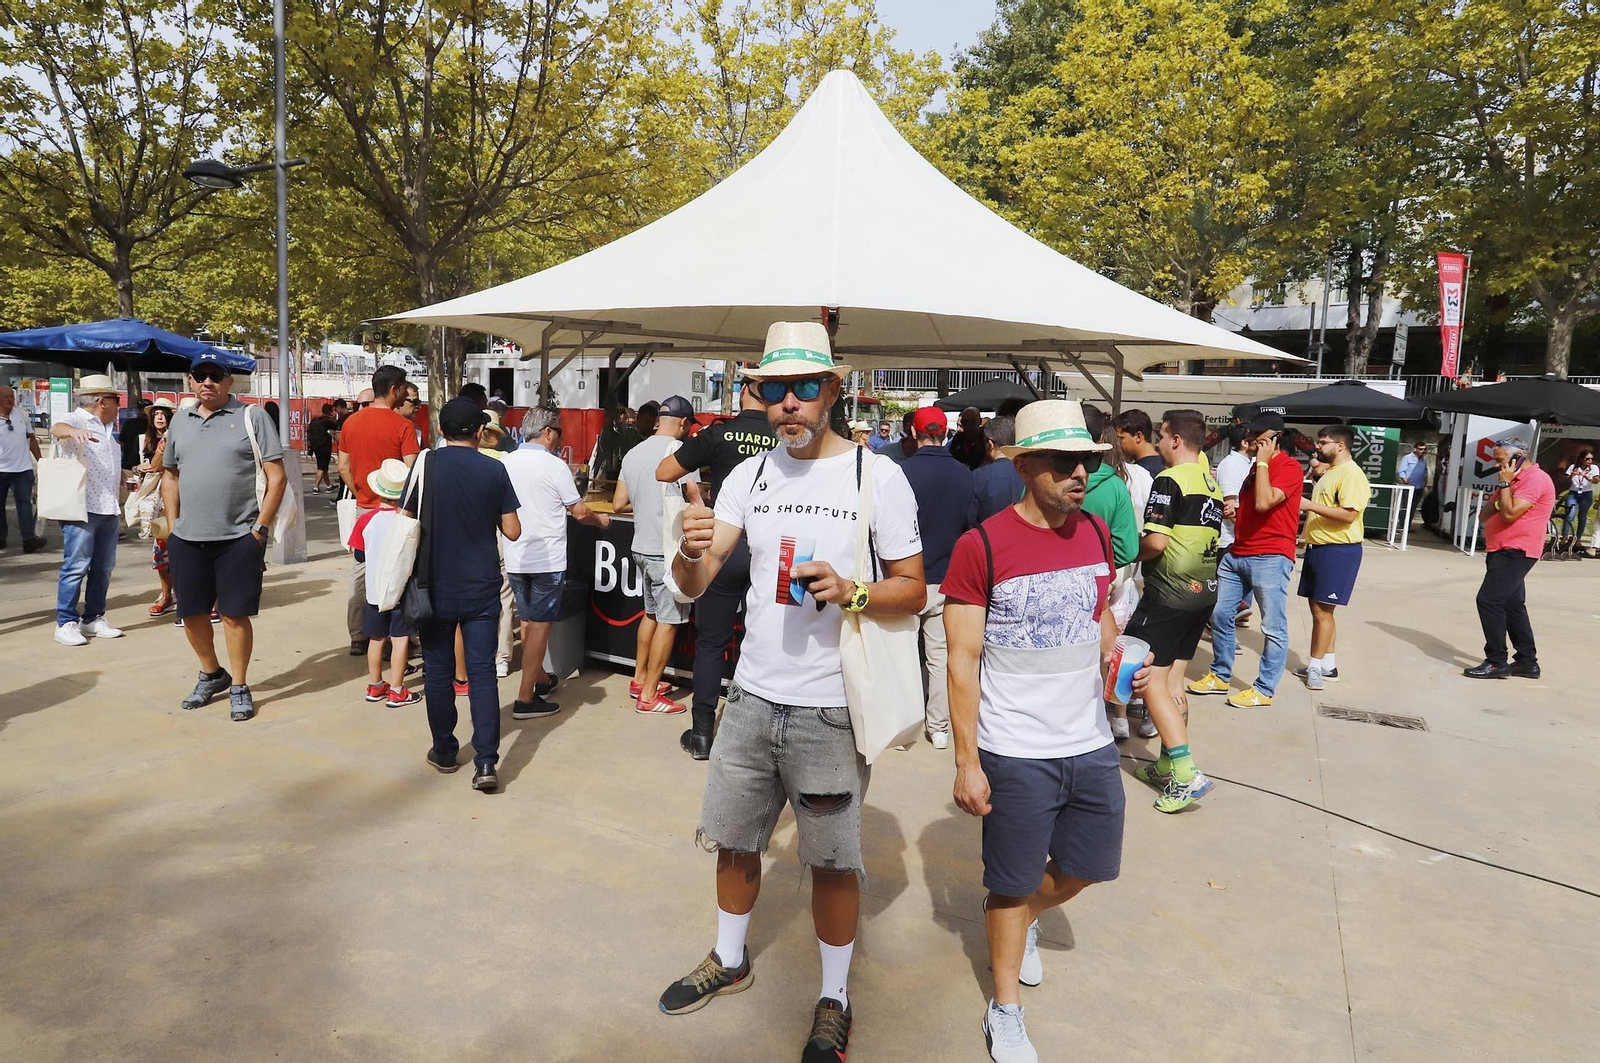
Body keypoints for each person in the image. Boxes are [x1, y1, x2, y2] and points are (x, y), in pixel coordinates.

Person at [658, 322, 925, 1063]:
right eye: (774, 389)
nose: (788, 403)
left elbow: (914, 588)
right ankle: (729, 957)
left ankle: (834, 997)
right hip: (750, 696)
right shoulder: (748, 477)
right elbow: (697, 582)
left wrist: (854, 589)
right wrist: (685, 552)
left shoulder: (878, 476)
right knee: (734, 837)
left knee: (833, 861)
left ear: (833, 389)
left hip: (832, 707)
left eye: (804, 387)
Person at [943, 398, 1146, 1063]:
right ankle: (1005, 1008)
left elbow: (1099, 616)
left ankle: (1023, 915)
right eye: (1062, 462)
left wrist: (1120, 659)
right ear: (1025, 466)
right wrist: (967, 761)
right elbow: (962, 659)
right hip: (1015, 747)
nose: (1079, 473)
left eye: (1085, 460)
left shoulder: (1095, 532)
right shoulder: (981, 546)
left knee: (1089, 866)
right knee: (1010, 881)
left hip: (1089, 740)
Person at [405, 397, 522, 792]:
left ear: (441, 430)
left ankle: (445, 751)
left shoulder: (425, 465)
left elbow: (405, 521)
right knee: (482, 673)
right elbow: (513, 530)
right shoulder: (494, 468)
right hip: (482, 586)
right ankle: (486, 762)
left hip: (433, 585)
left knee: (438, 673)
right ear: (480, 432)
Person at [654, 382, 777, 758]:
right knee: (768, 642)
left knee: (710, 643)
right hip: (768, 547)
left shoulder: (719, 434)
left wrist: (702, 487)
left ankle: (703, 734)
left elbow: (664, 471)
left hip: (724, 544)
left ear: (744, 391)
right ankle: (759, 736)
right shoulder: (784, 436)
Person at [160, 359, 286, 721]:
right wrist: (173, 526)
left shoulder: (251, 417)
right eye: (200, 376)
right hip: (187, 537)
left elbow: (276, 477)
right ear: (190, 381)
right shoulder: (181, 420)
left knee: (234, 615)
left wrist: (259, 529)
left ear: (229, 382)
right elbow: (170, 475)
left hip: (238, 537)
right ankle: (212, 673)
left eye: (216, 376)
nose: (208, 382)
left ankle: (240, 686)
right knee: (191, 613)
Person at [1126, 409, 1222, 813]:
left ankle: (1185, 774)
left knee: (1148, 680)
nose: (1158, 443)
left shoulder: (1169, 479)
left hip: (1168, 595)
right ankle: (1167, 762)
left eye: (1161, 436)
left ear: (1176, 440)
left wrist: (1127, 551)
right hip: (1202, 595)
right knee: (1173, 681)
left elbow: (1156, 543)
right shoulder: (1211, 481)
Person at [1188, 413, 1302, 708]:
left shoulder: (1288, 468)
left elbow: (1265, 502)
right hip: (1239, 552)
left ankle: (1264, 689)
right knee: (1219, 614)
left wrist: (1262, 463)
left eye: (1258, 436)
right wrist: (1237, 512)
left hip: (1270, 556)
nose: (1251, 440)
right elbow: (1256, 507)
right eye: (1250, 434)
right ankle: (1220, 675)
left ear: (1275, 438)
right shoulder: (1254, 468)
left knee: (1272, 626)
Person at [503, 406, 611, 718]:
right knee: (539, 626)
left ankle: (539, 679)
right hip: (546, 559)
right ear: (548, 432)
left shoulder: (506, 463)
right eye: (559, 432)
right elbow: (579, 511)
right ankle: (525, 698)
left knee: (528, 622)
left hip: (516, 555)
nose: (559, 438)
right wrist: (601, 520)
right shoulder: (554, 466)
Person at [614, 395, 699, 715]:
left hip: (640, 546)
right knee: (669, 620)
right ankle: (649, 696)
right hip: (666, 550)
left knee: (650, 614)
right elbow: (695, 499)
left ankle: (639, 679)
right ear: (683, 423)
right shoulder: (681, 452)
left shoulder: (634, 452)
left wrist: (647, 506)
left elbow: (619, 504)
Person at [900, 405, 979, 749]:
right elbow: (970, 528)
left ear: (913, 433)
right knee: (940, 657)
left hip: (906, 576)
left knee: (904, 655)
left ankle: (905, 728)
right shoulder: (965, 474)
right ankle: (939, 727)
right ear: (945, 433)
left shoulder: (900, 473)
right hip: (946, 577)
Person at [338, 366, 421, 656]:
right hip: (397, 513)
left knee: (362, 572)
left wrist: (362, 491)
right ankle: (398, 638)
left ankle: (359, 635)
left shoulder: (351, 423)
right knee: (399, 573)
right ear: (395, 389)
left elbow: (343, 466)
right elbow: (413, 472)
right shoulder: (402, 426)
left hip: (364, 509)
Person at [1084, 406, 1156, 741]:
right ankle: (1112, 718)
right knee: (1109, 656)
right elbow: (1127, 549)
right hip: (1107, 588)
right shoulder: (1115, 485)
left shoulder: (1040, 482)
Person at [1464, 442, 1555, 679]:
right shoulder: (1512, 480)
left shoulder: (1534, 479)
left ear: (1519, 457)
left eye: (1500, 460)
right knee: (1512, 605)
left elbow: (1509, 514)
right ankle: (1527, 662)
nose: (1496, 465)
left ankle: (1496, 661)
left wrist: (1505, 486)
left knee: (1488, 600)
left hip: (1516, 550)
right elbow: (1485, 515)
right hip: (1501, 549)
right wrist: (1503, 493)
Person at [49, 375, 126, 646]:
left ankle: (93, 617)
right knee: (76, 566)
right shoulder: (77, 419)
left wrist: (124, 475)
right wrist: (72, 432)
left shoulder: (108, 428)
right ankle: (65, 622)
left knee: (103, 567)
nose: (119, 406)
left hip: (109, 507)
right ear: (102, 401)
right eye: (117, 400)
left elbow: (105, 464)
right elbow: (57, 428)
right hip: (83, 508)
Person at [1294, 425, 1371, 690]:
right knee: (1321, 611)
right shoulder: (1331, 472)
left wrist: (1308, 505)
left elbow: (1349, 514)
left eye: (1324, 442)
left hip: (1338, 550)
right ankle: (1327, 664)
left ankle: (1315, 666)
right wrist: (1305, 534)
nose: (1318, 446)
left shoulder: (1351, 474)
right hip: (1319, 547)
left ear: (1340, 445)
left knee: (1323, 612)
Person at [347, 459, 420, 707]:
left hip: (374, 590)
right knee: (400, 639)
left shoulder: (366, 520)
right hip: (400, 590)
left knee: (376, 638)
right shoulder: (408, 523)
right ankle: (398, 689)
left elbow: (359, 556)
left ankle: (376, 684)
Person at [133, 399, 176, 616]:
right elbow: (141, 466)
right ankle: (166, 594)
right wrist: (139, 468)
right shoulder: (146, 439)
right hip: (157, 502)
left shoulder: (175, 437)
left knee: (183, 550)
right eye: (156, 413)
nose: (159, 417)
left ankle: (183, 594)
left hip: (180, 498)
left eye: (163, 413)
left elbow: (159, 465)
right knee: (161, 549)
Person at [0, 384, 47, 552]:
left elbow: (31, 438)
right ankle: (1, 538)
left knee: (25, 504)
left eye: (11, 397)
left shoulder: (22, 415)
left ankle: (29, 539)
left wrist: (41, 461)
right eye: (6, 397)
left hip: (22, 468)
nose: (10, 400)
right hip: (1, 470)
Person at [974, 415, 1026, 522]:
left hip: (988, 530)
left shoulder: (979, 476)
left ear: (990, 444)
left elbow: (970, 518)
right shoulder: (1030, 473)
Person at [1113, 408, 1165, 479]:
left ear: (1138, 437)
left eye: (1121, 438)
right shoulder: (1163, 465)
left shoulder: (1141, 473)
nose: (1118, 444)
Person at [1561, 450, 1597, 543]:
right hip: (1573, 493)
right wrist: (1572, 475)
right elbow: (1565, 480)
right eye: (1587, 459)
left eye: (1591, 459)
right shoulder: (1573, 467)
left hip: (1586, 493)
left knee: (1582, 516)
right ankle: (1564, 537)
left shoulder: (1593, 468)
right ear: (1581, 459)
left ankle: (1578, 539)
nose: (1590, 461)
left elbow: (1596, 480)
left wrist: (1589, 478)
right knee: (1570, 515)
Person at [1396, 441, 1428, 528]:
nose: (1423, 451)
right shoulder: (1407, 458)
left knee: (1413, 508)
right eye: (1421, 449)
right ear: (1415, 449)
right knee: (1405, 506)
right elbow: (1401, 471)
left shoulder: (1423, 460)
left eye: (1424, 449)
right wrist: (1406, 481)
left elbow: (1425, 471)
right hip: (1408, 487)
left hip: (1419, 487)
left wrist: (1425, 483)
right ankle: (1401, 524)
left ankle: (1407, 526)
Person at [307, 403, 336, 493]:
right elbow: (336, 427)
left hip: (316, 447)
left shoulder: (315, 420)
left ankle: (328, 485)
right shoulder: (328, 422)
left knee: (323, 467)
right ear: (330, 412)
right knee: (322, 467)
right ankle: (316, 487)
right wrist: (334, 419)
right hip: (325, 447)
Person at [949, 405, 987, 470]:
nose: (968, 426)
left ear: (980, 421)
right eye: (965, 422)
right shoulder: (957, 438)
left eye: (972, 422)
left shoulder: (986, 439)